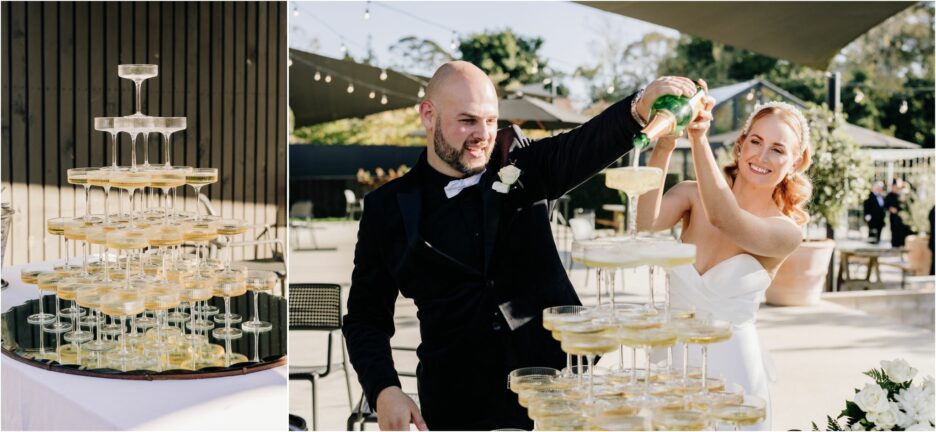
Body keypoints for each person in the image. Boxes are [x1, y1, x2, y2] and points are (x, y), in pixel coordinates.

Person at [342, 60, 698, 431]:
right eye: (468, 121)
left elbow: (586, 143)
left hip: (561, 388)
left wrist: (639, 107)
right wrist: (384, 388)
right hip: (457, 404)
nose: (483, 134)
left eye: (491, 120)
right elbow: (366, 317)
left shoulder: (525, 167)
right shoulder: (387, 208)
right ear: (428, 116)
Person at [638, 96, 813, 430]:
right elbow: (644, 221)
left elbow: (724, 218)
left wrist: (699, 136)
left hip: (732, 367)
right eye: (756, 142)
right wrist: (664, 147)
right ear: (740, 145)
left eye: (777, 149)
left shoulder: (786, 232)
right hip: (673, 359)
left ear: (794, 162)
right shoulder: (691, 195)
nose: (762, 156)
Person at [885, 179, 910, 248]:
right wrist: (890, 208)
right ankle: (894, 246)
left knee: (902, 233)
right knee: (894, 232)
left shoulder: (901, 195)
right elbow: (886, 205)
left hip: (902, 218)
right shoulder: (889, 195)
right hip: (893, 218)